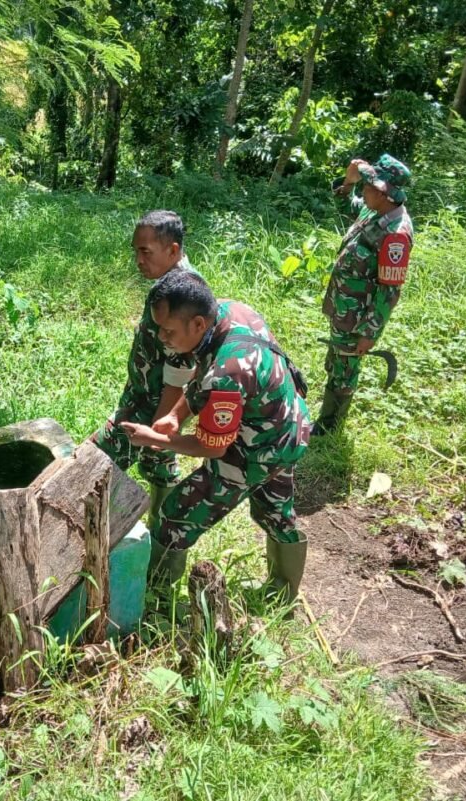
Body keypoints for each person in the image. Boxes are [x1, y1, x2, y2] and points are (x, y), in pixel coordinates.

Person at [120, 270, 312, 603]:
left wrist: (155, 438)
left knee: (175, 517)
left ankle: (153, 600)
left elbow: (212, 446)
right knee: (275, 512)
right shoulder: (229, 312)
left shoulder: (227, 375)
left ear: (196, 324)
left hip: (261, 447)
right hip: (289, 425)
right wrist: (174, 415)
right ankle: (283, 593)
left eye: (168, 331)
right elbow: (201, 378)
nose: (162, 338)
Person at [90, 210, 199, 531]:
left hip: (150, 406)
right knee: (160, 466)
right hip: (145, 397)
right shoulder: (171, 283)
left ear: (173, 250)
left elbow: (182, 368)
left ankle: (87, 534)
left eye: (145, 252)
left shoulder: (180, 291)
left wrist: (160, 427)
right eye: (136, 251)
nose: (138, 260)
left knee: (94, 463)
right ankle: (161, 547)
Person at [316, 153, 414, 434]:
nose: (365, 189)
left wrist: (369, 333)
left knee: (345, 372)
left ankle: (329, 428)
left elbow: (389, 291)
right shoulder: (374, 210)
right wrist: (348, 182)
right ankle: (327, 416)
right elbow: (344, 204)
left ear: (385, 194)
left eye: (369, 186)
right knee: (336, 362)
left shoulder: (395, 234)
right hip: (343, 305)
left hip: (358, 317)